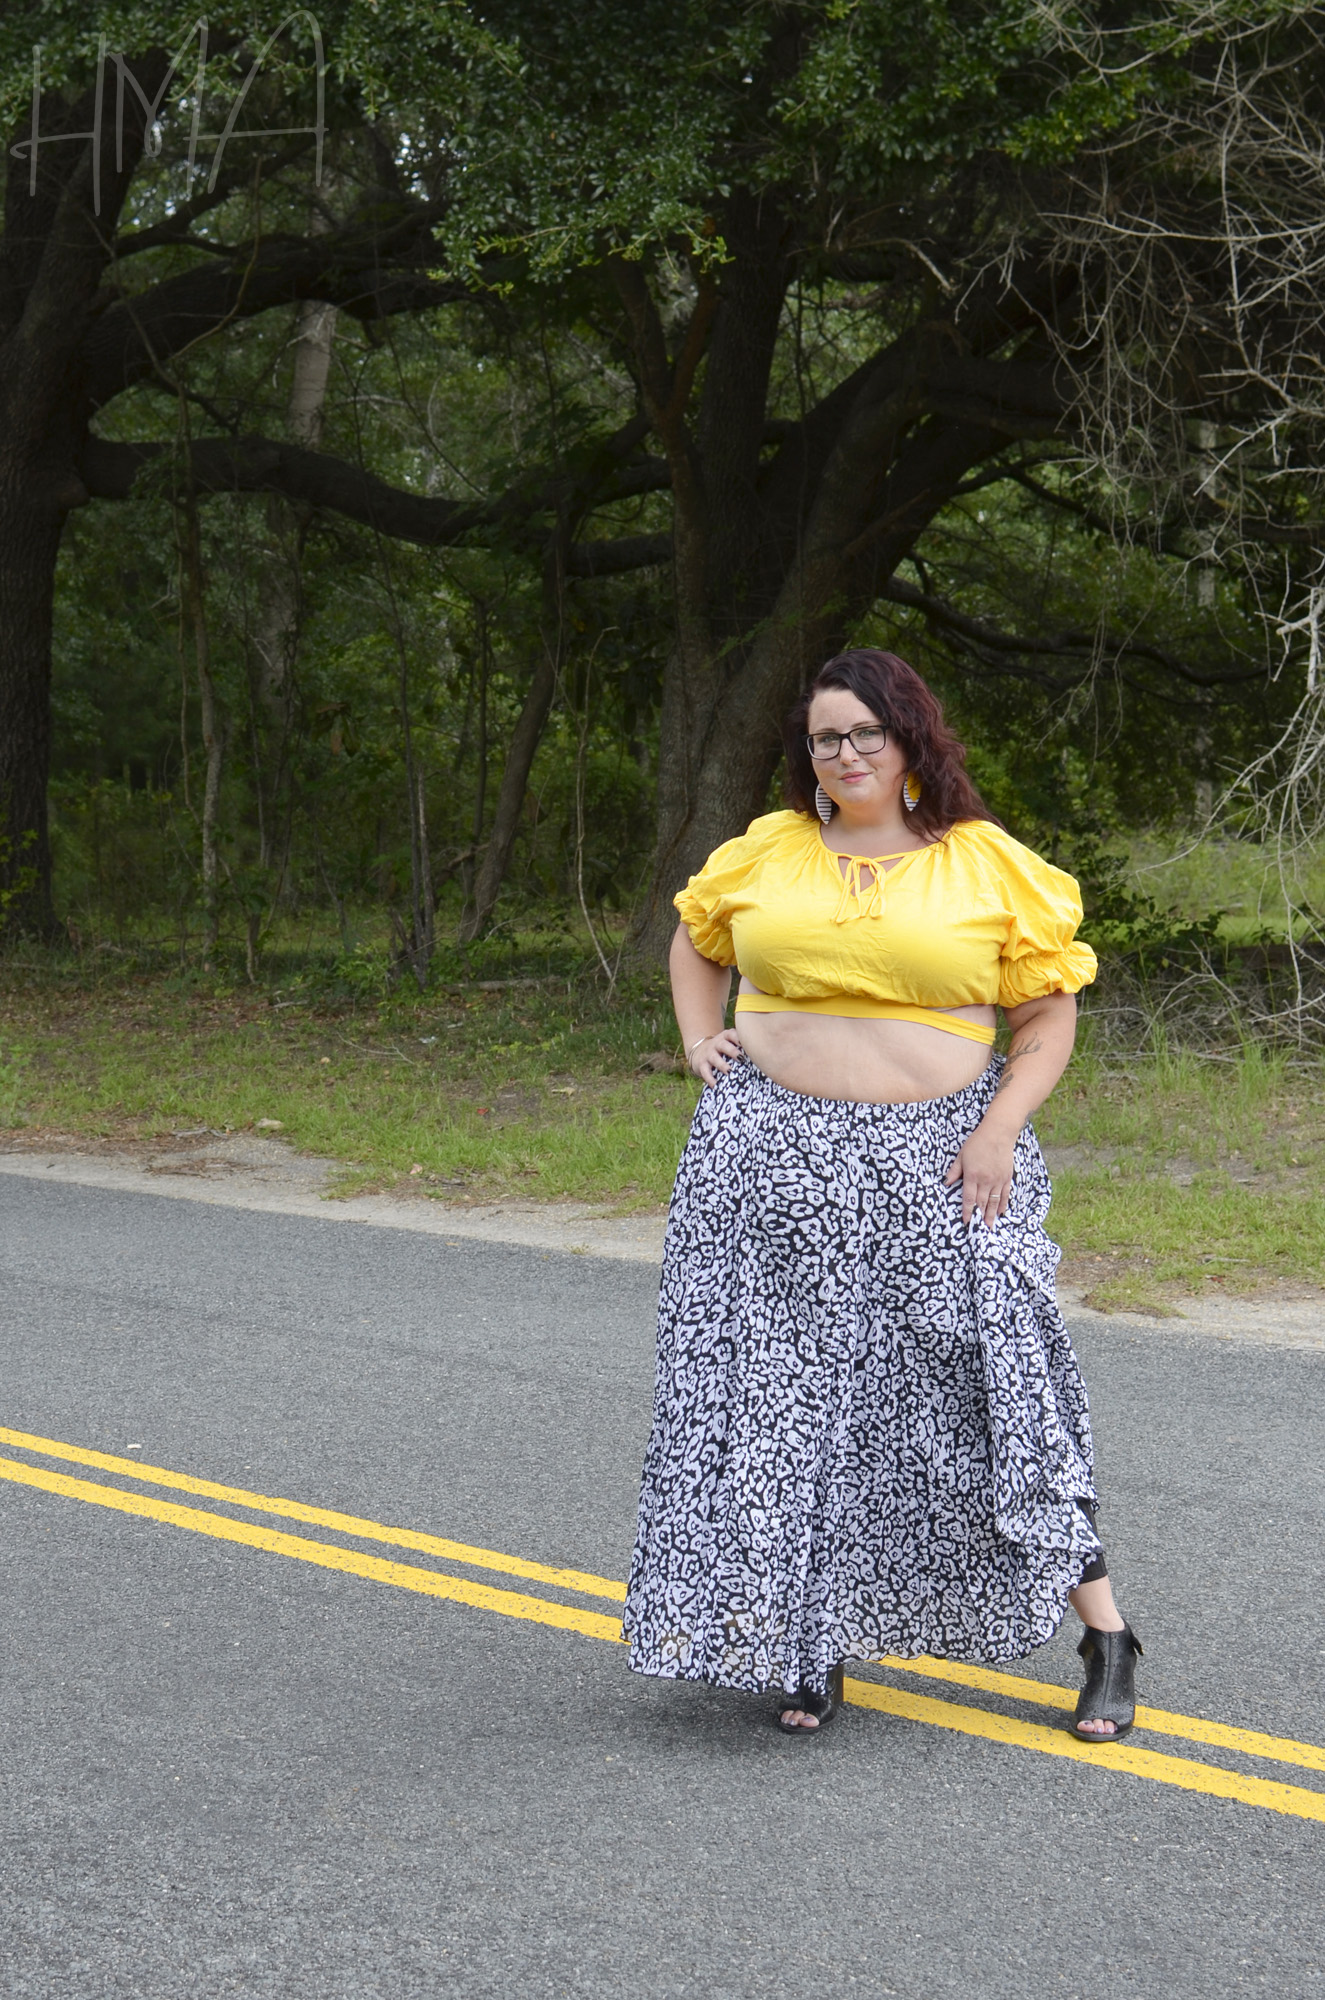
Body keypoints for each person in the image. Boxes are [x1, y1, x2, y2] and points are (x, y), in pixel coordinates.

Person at [622, 648, 1142, 1740]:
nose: (845, 753)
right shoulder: (768, 849)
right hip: (766, 1158)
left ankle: (1103, 1632)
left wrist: (1000, 1124)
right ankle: (804, 1643)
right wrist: (693, 1037)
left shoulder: (981, 862)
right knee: (788, 1400)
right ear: (804, 754)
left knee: (994, 1385)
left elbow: (1045, 1017)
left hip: (946, 1160)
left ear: (909, 740)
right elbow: (693, 941)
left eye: (865, 732)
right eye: (824, 737)